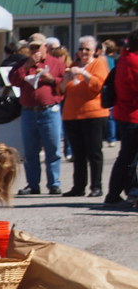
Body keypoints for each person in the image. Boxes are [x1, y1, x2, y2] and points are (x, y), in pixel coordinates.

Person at [8, 32, 66, 195]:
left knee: (53, 149)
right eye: (31, 47)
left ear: (45, 47)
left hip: (50, 111)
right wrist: (26, 66)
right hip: (29, 112)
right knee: (30, 151)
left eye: (37, 47)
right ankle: (33, 184)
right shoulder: (22, 63)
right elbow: (13, 80)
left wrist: (52, 80)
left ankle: (54, 183)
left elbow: (64, 86)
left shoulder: (56, 63)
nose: (34, 50)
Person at [59, 35, 110, 197]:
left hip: (93, 114)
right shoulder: (73, 65)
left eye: (87, 49)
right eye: (81, 49)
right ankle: (78, 186)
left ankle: (96, 186)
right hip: (72, 115)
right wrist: (65, 79)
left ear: (95, 51)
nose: (84, 52)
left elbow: (99, 86)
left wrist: (84, 73)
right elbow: (61, 90)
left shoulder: (99, 64)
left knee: (94, 152)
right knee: (78, 153)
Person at [104, 28, 138, 206]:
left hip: (124, 113)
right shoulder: (134, 62)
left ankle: (116, 193)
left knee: (126, 157)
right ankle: (126, 192)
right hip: (133, 115)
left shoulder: (124, 59)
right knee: (128, 158)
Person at [102, 39, 118, 147]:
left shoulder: (104, 59)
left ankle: (110, 137)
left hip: (107, 84)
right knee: (111, 115)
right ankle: (112, 138)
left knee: (109, 114)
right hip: (113, 84)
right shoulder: (116, 59)